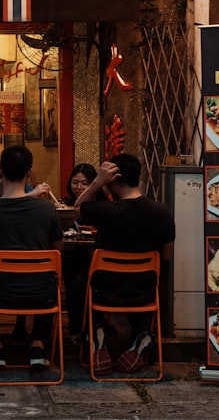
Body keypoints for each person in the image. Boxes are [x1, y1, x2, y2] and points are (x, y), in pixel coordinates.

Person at [69, 153, 175, 375]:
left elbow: (77, 209)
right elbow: (165, 256)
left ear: (113, 179)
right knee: (134, 280)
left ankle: (95, 330)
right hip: (144, 291)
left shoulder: (105, 211)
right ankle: (142, 335)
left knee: (82, 281)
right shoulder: (162, 212)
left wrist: (98, 182)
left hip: (105, 291)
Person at [0, 145, 61, 368]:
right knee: (51, 276)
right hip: (42, 293)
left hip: (1, 291)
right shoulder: (47, 210)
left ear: (0, 170)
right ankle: (38, 343)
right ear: (29, 172)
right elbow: (57, 252)